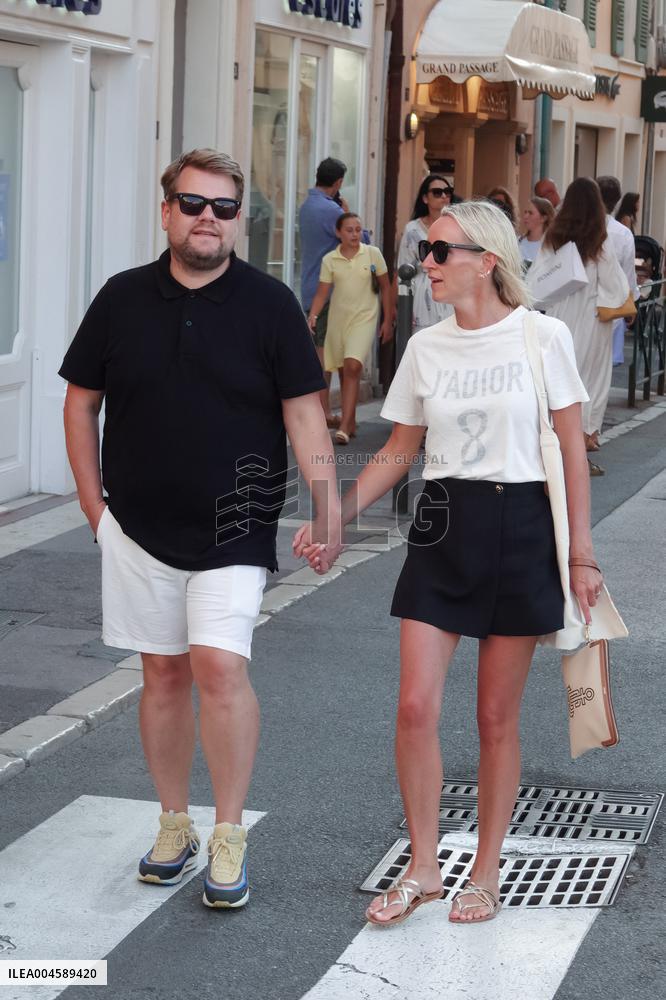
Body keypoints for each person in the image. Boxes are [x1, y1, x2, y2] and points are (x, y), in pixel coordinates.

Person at [295, 199, 599, 925]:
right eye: (424, 253)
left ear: (485, 261)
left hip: (524, 526)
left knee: (496, 717)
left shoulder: (542, 336)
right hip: (442, 524)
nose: (425, 265)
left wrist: (581, 555)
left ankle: (485, 872)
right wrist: (336, 517)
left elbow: (573, 449)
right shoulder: (428, 347)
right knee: (414, 706)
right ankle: (424, 867)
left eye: (439, 253)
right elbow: (401, 450)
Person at [59, 148, 342, 911]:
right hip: (139, 525)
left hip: (236, 523)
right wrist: (95, 507)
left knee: (219, 668)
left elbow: (304, 412)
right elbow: (81, 400)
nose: (207, 219)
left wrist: (328, 506)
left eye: (222, 208)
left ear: (239, 221)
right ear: (167, 212)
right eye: (193, 204)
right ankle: (174, 823)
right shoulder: (120, 299)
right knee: (162, 675)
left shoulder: (271, 304)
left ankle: (228, 834)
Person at [533, 177, 629, 474]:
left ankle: (552, 446)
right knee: (587, 383)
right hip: (590, 320)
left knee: (556, 382)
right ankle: (579, 451)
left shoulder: (553, 237)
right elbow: (614, 286)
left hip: (558, 316)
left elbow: (538, 279)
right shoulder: (599, 241)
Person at [308, 213, 392, 444]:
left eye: (358, 229)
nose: (355, 234)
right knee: (345, 371)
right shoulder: (330, 260)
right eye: (349, 230)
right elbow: (322, 293)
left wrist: (388, 320)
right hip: (338, 320)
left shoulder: (373, 254)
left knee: (353, 366)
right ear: (338, 233)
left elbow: (386, 287)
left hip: (365, 318)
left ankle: (344, 426)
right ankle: (351, 422)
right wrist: (312, 316)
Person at [299, 157, 348, 428]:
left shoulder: (306, 206)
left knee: (321, 353)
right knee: (324, 356)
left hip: (310, 285)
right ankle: (323, 411)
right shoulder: (331, 211)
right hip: (326, 291)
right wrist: (348, 212)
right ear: (338, 182)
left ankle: (321, 410)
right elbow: (358, 239)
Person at [395, 174, 454, 332]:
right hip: (422, 299)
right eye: (437, 192)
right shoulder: (412, 229)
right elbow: (403, 269)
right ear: (425, 198)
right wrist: (402, 304)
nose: (443, 196)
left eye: (447, 192)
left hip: (451, 295)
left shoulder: (457, 227)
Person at [596, 176, 639, 371]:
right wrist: (632, 302)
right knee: (602, 374)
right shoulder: (623, 234)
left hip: (580, 306)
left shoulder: (577, 228)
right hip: (610, 308)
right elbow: (628, 275)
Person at [518, 196, 555, 265]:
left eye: (530, 213)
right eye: (525, 212)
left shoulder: (551, 246)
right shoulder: (518, 242)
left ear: (543, 218)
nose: (525, 216)